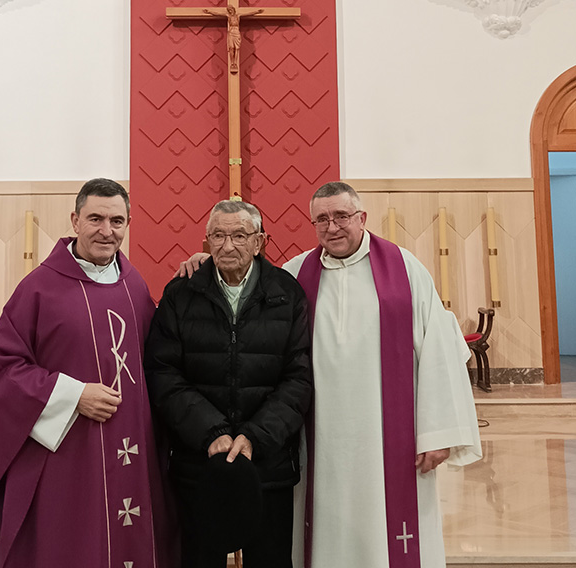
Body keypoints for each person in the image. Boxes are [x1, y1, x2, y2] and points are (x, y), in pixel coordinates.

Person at [178, 183, 482, 568]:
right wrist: (203, 263)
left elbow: (440, 346)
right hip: (319, 439)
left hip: (389, 440)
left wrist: (437, 433)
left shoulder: (405, 270)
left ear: (362, 218)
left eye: (341, 216)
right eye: (321, 219)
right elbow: (241, 275)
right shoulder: (295, 273)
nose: (332, 226)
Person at [0, 178, 174, 568]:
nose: (106, 230)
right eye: (95, 218)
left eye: (117, 221)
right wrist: (73, 395)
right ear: (75, 220)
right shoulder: (38, 290)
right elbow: (2, 373)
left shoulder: (134, 285)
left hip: (133, 447)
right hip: (68, 452)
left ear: (128, 223)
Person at [145, 200, 313, 568]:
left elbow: (298, 378)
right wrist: (211, 433)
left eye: (239, 235)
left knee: (269, 559)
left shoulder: (287, 293)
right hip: (200, 462)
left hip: (267, 464)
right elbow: (163, 372)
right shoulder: (181, 293)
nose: (227, 245)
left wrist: (255, 436)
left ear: (259, 242)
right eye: (218, 236)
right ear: (206, 242)